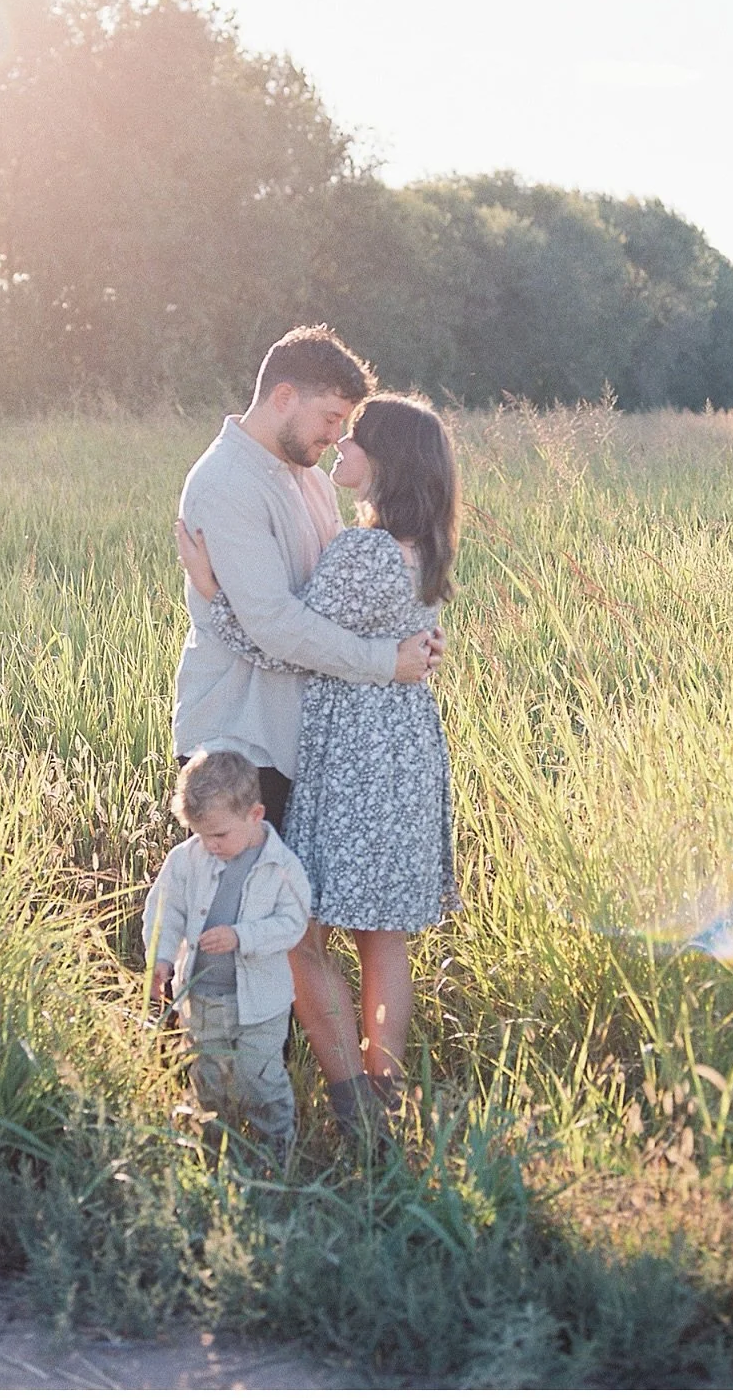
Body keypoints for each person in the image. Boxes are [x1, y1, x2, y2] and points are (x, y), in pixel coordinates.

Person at [178, 392, 460, 1135]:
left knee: (300, 929)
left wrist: (214, 599)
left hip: (356, 755)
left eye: (355, 439)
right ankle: (385, 1097)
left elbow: (286, 640)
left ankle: (354, 1102)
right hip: (404, 747)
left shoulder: (363, 550)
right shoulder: (424, 545)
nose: (342, 447)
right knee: (383, 934)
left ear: (386, 460)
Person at [173, 326, 443, 837]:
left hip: (300, 737)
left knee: (300, 905)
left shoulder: (313, 477)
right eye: (329, 418)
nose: (337, 436)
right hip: (242, 738)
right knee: (247, 909)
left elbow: (341, 600)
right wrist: (387, 661)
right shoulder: (226, 483)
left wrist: (410, 634)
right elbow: (275, 624)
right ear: (283, 397)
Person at [143, 748, 312, 1164]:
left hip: (260, 1003)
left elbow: (293, 922)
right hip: (202, 997)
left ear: (255, 815)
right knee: (208, 1075)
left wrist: (242, 937)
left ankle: (277, 1152)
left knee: (260, 1077)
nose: (211, 845)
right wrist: (161, 958)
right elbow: (165, 910)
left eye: (219, 835)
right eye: (202, 835)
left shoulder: (281, 866)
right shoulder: (187, 860)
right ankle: (211, 1151)